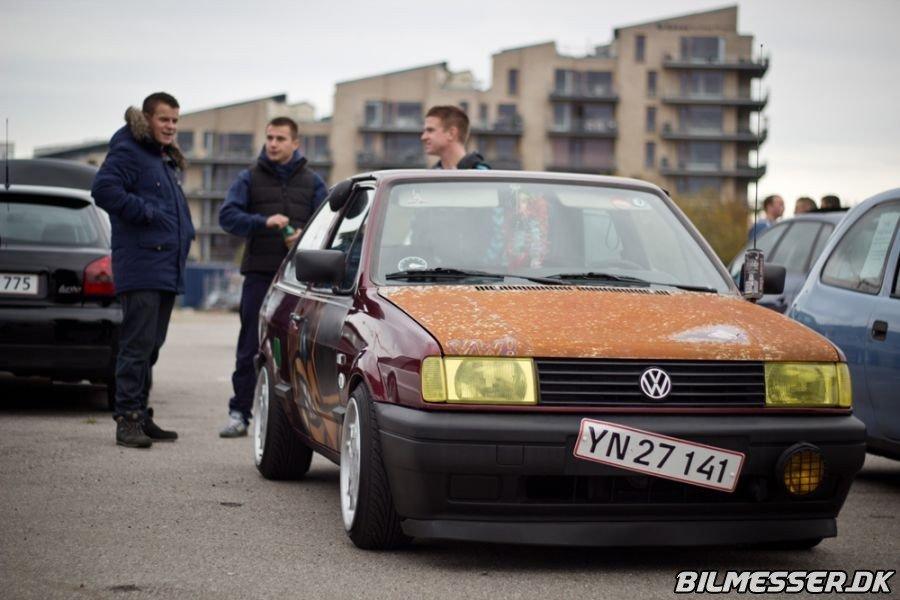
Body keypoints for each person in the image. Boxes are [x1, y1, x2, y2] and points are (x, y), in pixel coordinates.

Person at [92, 92, 195, 448]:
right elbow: (103, 190)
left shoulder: (161, 158)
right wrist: (147, 212)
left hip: (165, 266)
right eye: (164, 119)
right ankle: (127, 420)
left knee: (152, 345)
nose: (171, 126)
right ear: (147, 119)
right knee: (136, 347)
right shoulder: (129, 151)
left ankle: (141, 411)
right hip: (142, 265)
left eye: (175, 120)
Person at [218, 116, 327, 438]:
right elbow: (227, 217)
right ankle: (239, 413)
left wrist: (306, 235)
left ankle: (298, 419)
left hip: (302, 280)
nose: (273, 144)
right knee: (250, 345)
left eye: (280, 138)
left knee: (301, 349)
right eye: (269, 137)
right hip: (260, 274)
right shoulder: (248, 178)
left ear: (295, 143)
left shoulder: (313, 182)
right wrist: (262, 222)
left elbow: (330, 227)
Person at [420, 105, 490, 170]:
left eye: (430, 130)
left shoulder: (484, 176)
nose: (423, 137)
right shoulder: (431, 177)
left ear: (451, 133)